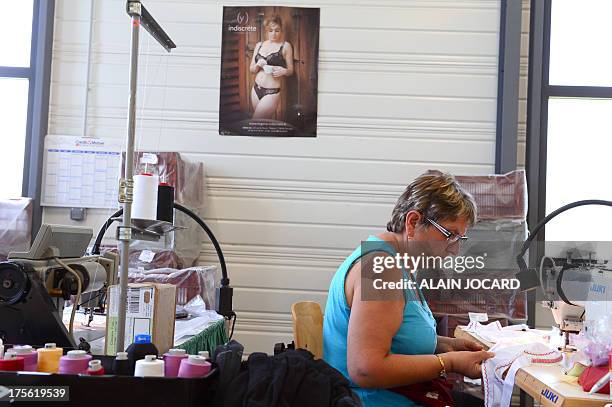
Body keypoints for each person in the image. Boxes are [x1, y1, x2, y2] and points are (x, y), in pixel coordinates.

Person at [323, 171, 495, 406]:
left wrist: (446, 344)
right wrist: (450, 362)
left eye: (460, 239)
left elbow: (397, 336)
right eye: (449, 235)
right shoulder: (381, 269)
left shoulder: (397, 262)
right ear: (413, 222)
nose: (455, 249)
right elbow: (366, 369)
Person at [249, 15, 294, 119]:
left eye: (277, 30)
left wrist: (284, 71)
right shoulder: (259, 45)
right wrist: (257, 65)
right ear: (266, 31)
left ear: (281, 30)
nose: (273, 34)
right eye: (270, 30)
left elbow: (291, 70)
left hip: (271, 92)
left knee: (256, 121)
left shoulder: (286, 46)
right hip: (256, 89)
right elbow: (252, 69)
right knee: (262, 124)